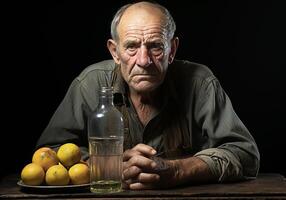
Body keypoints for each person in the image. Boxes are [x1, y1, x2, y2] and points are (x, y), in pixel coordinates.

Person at [36, 1, 260, 189]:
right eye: (132, 46)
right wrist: (106, 166)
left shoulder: (200, 82)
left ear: (171, 51)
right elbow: (47, 154)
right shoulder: (90, 84)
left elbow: (246, 155)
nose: (143, 61)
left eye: (155, 46)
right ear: (115, 52)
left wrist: (178, 171)